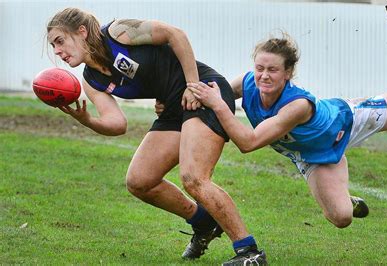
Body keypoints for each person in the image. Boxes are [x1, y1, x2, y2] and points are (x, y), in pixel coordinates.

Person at [184, 0, 387, 230]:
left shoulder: (297, 105)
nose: (264, 76)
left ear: (288, 73)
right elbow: (215, 92)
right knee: (341, 218)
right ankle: (344, 192)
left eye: (273, 70)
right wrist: (184, 99)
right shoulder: (248, 82)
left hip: (347, 120)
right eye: (259, 68)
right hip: (309, 155)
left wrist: (217, 104)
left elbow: (248, 142)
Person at [46, 7, 267, 265]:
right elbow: (117, 124)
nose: (57, 51)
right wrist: (87, 120)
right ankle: (204, 223)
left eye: (60, 41)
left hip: (204, 92)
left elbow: (176, 35)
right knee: (139, 181)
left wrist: (192, 86)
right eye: (53, 46)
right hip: (172, 108)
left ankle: (249, 252)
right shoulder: (91, 80)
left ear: (81, 32)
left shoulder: (119, 33)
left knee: (193, 177)